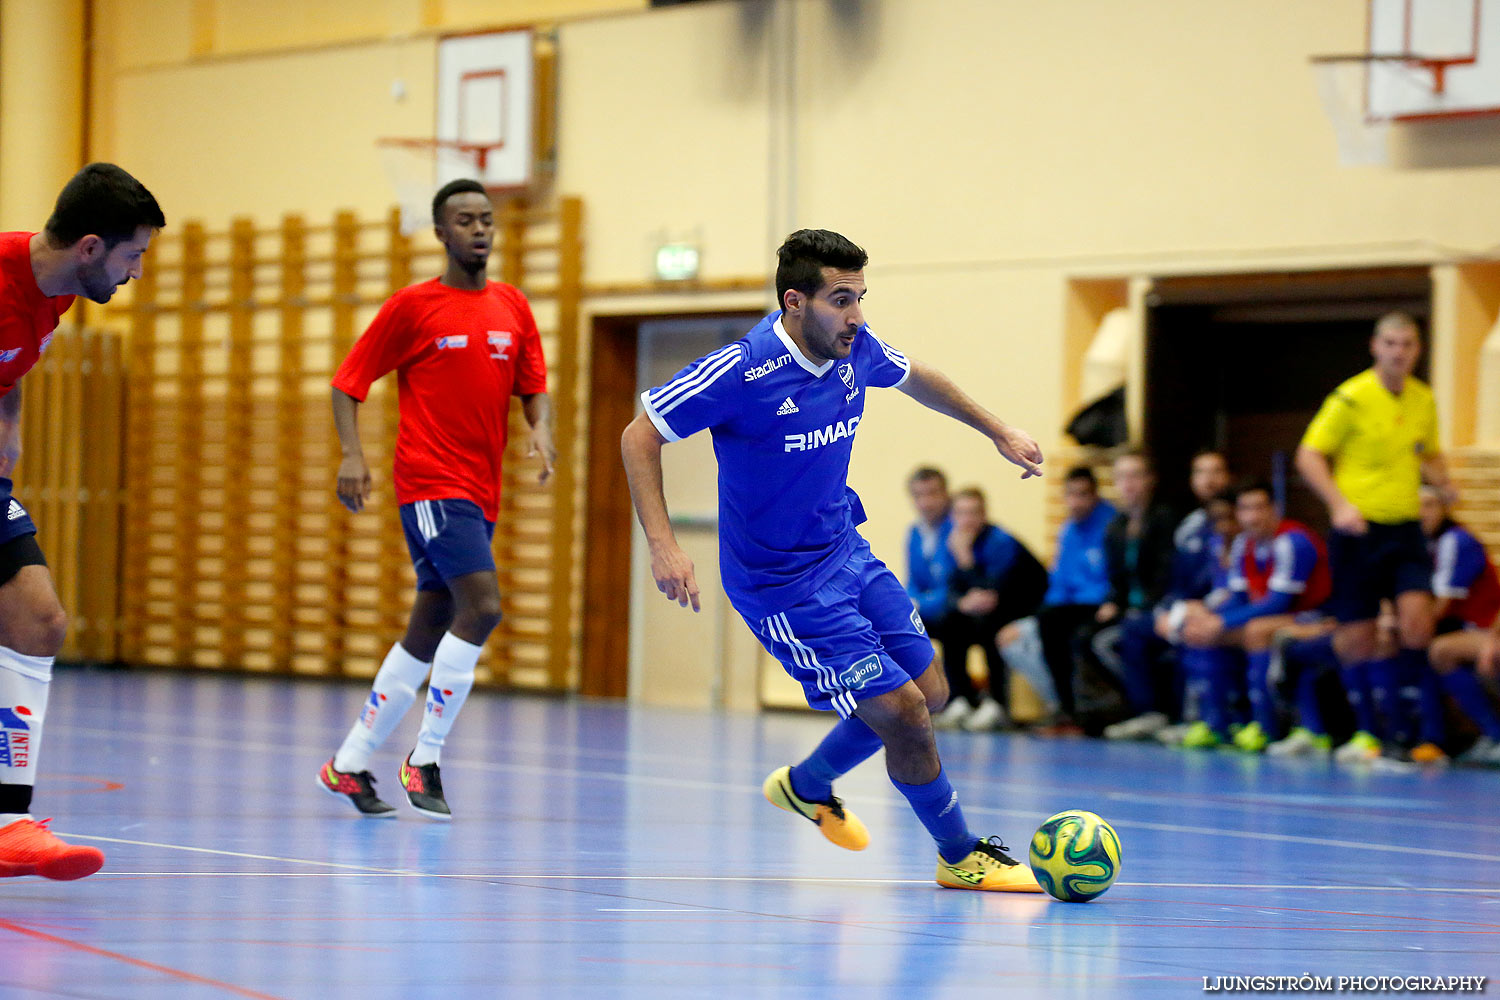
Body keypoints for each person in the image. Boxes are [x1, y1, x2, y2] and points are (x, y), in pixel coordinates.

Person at [620, 229, 1044, 892]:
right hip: (782, 586)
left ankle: (807, 784)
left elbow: (916, 378)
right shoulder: (743, 369)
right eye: (841, 299)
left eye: (861, 298)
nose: (857, 316)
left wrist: (998, 430)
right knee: (902, 713)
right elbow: (640, 433)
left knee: (930, 693)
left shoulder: (858, 350)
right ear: (795, 301)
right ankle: (960, 853)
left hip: (847, 551)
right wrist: (664, 544)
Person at [317, 179, 553, 819]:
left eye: (486, 220)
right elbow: (347, 383)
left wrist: (541, 428)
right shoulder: (413, 307)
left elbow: (534, 384)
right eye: (464, 220)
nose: (479, 230)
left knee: (429, 626)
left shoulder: (513, 307)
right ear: (441, 233)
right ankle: (423, 759)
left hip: (482, 491)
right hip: (430, 482)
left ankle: (349, 762)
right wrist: (352, 453)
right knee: (483, 606)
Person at [0, 163, 163, 880]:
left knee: (39, 620)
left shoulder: (52, 298)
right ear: (92, 248)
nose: (135, 273)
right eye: (134, 256)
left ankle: (8, 826)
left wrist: (8, 454)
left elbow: (7, 380)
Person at [1295, 312, 1454, 765]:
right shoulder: (1351, 397)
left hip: (1404, 528)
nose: (1398, 352)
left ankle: (1410, 732)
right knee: (1358, 641)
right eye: (1390, 343)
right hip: (1358, 529)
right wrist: (1339, 505)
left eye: (1407, 344)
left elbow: (1429, 451)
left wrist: (1443, 483)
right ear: (1375, 346)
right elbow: (1309, 455)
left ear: (1417, 350)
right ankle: (1351, 712)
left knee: (1417, 622)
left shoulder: (1423, 399)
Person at [1176, 480, 1332, 751]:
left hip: (1315, 615)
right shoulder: (1243, 544)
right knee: (1200, 630)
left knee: (1254, 632)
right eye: (1245, 509)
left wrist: (1222, 621)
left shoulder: (1292, 541)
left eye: (1259, 508)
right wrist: (1209, 619)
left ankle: (1266, 727)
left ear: (1275, 509)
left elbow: (1278, 603)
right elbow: (1238, 598)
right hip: (1276, 616)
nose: (1252, 517)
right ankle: (1216, 723)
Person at [930, 487, 1048, 731]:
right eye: (961, 513)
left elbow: (993, 593)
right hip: (990, 607)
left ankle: (997, 702)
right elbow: (951, 587)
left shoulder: (1000, 541)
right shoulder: (953, 540)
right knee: (951, 622)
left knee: (989, 623)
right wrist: (959, 602)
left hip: (1025, 607)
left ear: (984, 515)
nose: (967, 519)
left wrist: (965, 559)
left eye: (973, 513)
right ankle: (960, 699)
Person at [1095, 450, 1179, 739]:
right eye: (1121, 477)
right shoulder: (1115, 527)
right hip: (1129, 611)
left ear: (1150, 480)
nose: (1128, 484)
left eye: (1135, 475)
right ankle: (1123, 708)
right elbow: (1117, 578)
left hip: (1160, 607)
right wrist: (1113, 603)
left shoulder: (1165, 519)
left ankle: (1152, 710)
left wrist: (1148, 607)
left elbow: (1166, 573)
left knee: (1126, 635)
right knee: (1086, 638)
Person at [1030, 466, 1115, 736]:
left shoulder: (1111, 524)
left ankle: (1095, 711)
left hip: (1102, 602)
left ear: (1095, 496)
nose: (1076, 502)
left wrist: (1112, 601)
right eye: (1071, 495)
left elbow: (1117, 574)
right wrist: (1051, 607)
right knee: (1047, 621)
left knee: (1079, 635)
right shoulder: (1068, 530)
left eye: (1083, 495)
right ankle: (1066, 707)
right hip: (1074, 604)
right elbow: (1060, 581)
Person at [1420, 487, 1500, 765]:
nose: (1422, 513)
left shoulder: (1457, 541)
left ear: (1444, 507)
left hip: (1483, 628)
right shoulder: (1423, 546)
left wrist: (1492, 641)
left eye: (1430, 505)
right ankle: (1429, 738)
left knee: (1439, 651)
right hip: (1467, 629)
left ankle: (1494, 736)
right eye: (1417, 506)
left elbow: (1439, 607)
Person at [903, 467, 954, 640]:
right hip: (927, 608)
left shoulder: (958, 529)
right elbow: (912, 581)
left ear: (946, 494)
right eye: (918, 496)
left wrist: (920, 604)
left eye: (932, 493)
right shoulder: (914, 533)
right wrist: (909, 603)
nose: (926, 503)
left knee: (952, 623)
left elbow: (954, 588)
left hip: (952, 611)